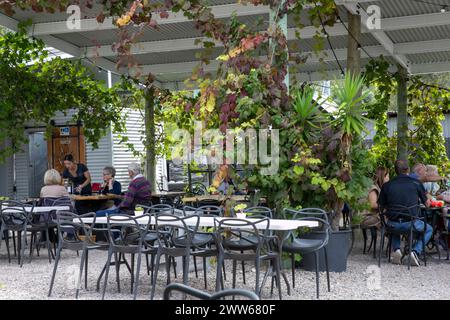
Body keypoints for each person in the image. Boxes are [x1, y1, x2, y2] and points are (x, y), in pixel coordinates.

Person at [378, 160, 433, 266]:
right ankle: (414, 251)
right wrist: (429, 201)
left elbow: (381, 206)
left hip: (392, 225)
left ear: (395, 170)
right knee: (429, 229)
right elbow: (427, 205)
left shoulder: (387, 186)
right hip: (411, 224)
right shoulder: (416, 183)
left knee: (393, 220)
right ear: (407, 170)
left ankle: (397, 249)